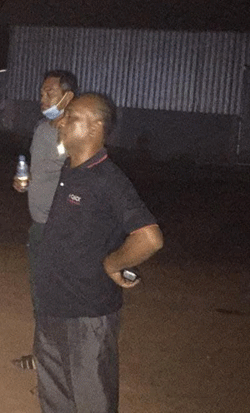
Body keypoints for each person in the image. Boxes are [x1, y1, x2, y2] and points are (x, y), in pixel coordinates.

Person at [32, 93, 164, 412]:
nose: (61, 122)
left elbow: (149, 237)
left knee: (91, 402)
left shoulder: (108, 179)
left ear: (95, 128)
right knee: (55, 401)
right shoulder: (71, 170)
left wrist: (112, 264)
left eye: (71, 117)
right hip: (52, 309)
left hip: (87, 317)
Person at [12, 70, 78, 371]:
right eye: (41, 93)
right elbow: (39, 170)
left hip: (61, 229)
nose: (43, 98)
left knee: (58, 297)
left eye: (50, 93)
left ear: (68, 96)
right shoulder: (41, 129)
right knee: (40, 295)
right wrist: (22, 182)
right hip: (39, 225)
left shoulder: (76, 133)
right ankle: (43, 355)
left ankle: (59, 364)